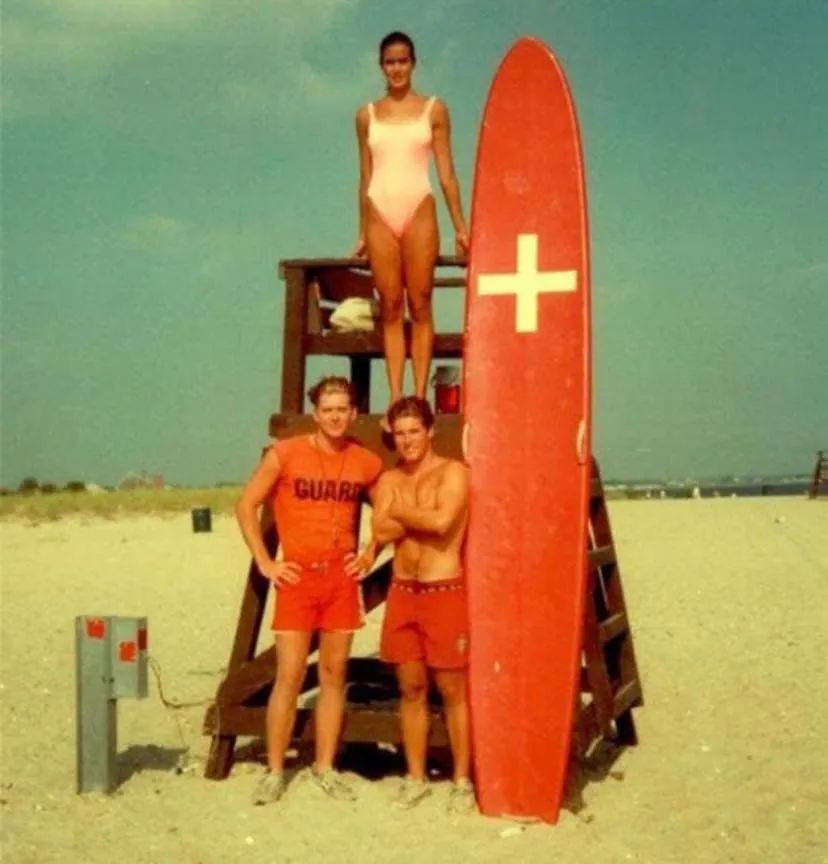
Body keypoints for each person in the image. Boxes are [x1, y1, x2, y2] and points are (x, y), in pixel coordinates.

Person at [236, 376, 383, 806]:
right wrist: (266, 562)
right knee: (290, 675)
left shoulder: (364, 461)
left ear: (353, 413)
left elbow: (390, 510)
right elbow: (246, 505)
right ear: (316, 413)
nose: (336, 416)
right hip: (298, 578)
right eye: (328, 409)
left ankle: (324, 767)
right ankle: (275, 770)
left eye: (343, 409)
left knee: (334, 675)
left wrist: (372, 550)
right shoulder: (285, 454)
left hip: (340, 578)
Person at [354, 31, 469, 426]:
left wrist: (460, 226)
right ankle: (396, 399)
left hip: (419, 207)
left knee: (420, 303)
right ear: (381, 66)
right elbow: (364, 175)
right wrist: (361, 231)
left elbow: (447, 172)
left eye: (403, 61)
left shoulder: (434, 109)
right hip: (378, 213)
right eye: (390, 62)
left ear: (414, 63)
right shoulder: (366, 114)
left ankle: (419, 401)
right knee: (389, 307)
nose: (397, 68)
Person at [370, 396, 474, 814]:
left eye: (415, 431)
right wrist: (414, 513)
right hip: (402, 593)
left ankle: (461, 780)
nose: (408, 440)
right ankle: (415, 777)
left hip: (442, 590)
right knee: (410, 688)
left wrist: (400, 511)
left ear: (431, 431)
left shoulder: (454, 472)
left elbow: (443, 522)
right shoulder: (390, 478)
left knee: (452, 690)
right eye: (400, 433)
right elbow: (379, 527)